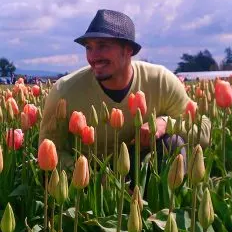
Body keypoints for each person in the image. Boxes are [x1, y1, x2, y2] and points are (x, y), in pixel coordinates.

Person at [39, 9, 211, 171]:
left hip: (143, 172)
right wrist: (89, 177)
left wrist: (166, 123)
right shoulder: (65, 90)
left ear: (128, 50)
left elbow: (203, 133)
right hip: (89, 181)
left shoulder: (160, 81)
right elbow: (49, 149)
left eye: (102, 45)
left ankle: (162, 201)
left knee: (173, 142)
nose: (93, 57)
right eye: (88, 47)